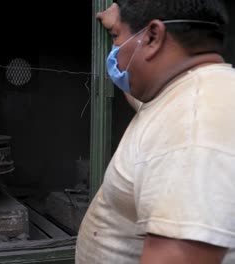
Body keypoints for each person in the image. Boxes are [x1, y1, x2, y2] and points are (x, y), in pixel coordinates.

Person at [76, 1, 235, 263]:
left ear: (152, 36)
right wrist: (119, 23)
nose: (115, 51)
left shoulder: (193, 123)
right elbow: (145, 101)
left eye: (117, 39)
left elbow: (177, 256)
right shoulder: (189, 95)